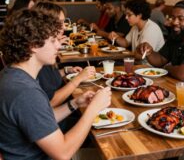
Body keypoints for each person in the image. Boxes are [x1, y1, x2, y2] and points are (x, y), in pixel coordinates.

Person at [0, 9, 111, 160]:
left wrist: (75, 103)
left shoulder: (14, 75)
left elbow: (41, 119)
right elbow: (63, 153)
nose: (58, 46)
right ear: (33, 45)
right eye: (53, 40)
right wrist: (93, 109)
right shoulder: (25, 92)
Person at [34, 1, 96, 108]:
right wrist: (78, 79)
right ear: (46, 24)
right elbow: (51, 102)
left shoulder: (43, 55)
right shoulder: (40, 56)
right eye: (61, 22)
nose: (64, 27)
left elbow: (49, 78)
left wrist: (66, 71)